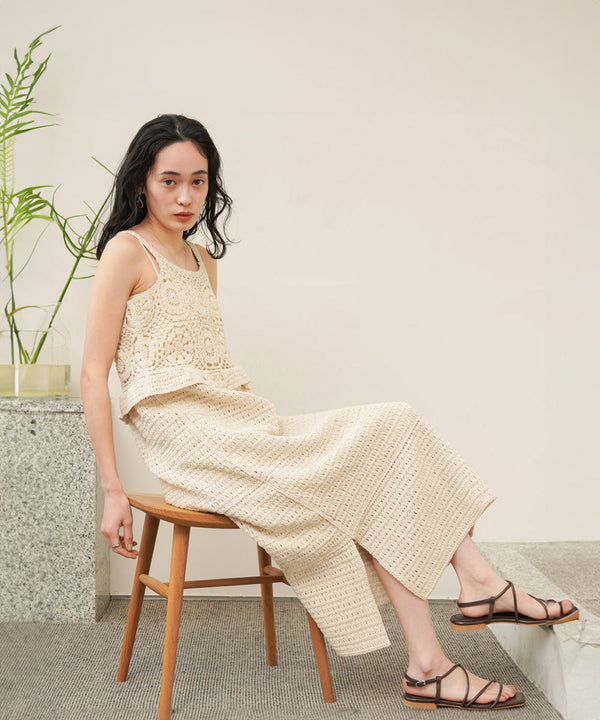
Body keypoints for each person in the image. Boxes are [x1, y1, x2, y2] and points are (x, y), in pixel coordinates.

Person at [81, 114, 578, 711]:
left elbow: (209, 364)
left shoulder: (204, 262)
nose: (186, 197)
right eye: (169, 181)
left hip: (241, 424)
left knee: (393, 429)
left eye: (198, 181)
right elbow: (93, 373)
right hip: (191, 444)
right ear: (141, 181)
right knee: (366, 471)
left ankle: (441, 643)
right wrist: (113, 490)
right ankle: (466, 610)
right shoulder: (126, 252)